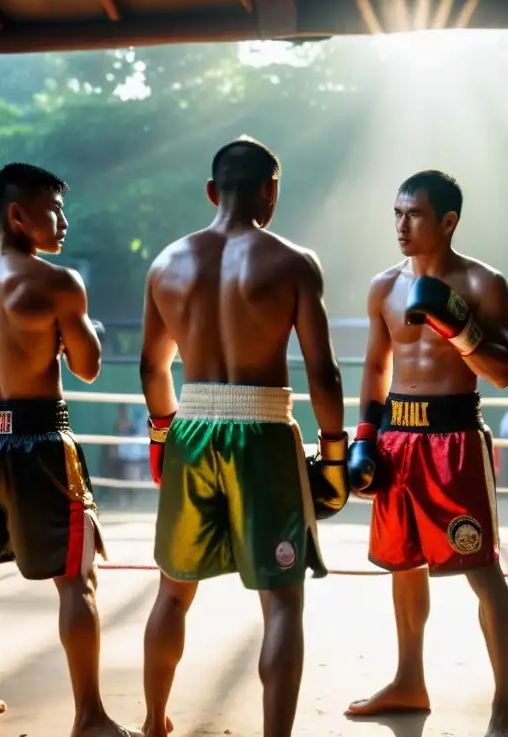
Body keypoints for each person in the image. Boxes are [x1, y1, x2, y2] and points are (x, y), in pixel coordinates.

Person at [139, 137, 347, 737]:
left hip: (190, 427)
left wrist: (162, 438)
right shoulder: (292, 262)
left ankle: (154, 723)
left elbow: (154, 369)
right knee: (282, 601)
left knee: (172, 595)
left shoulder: (166, 263)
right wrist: (333, 452)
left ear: (212, 191)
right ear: (270, 190)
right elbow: (322, 371)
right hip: (262, 432)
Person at [0, 163, 137, 736]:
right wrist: (84, 324)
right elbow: (89, 368)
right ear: (18, 214)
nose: (64, 222)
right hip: (41, 442)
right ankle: (90, 716)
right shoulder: (56, 283)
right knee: (77, 580)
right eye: (54, 209)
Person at [345, 171, 508, 736]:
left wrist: (460, 329)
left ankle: (504, 708)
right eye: (396, 212)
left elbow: (502, 374)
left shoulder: (484, 283)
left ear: (448, 222)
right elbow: (375, 367)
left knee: (482, 570)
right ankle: (408, 680)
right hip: (397, 436)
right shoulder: (382, 286)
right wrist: (364, 439)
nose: (401, 224)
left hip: (455, 440)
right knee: (402, 564)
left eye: (414, 214)